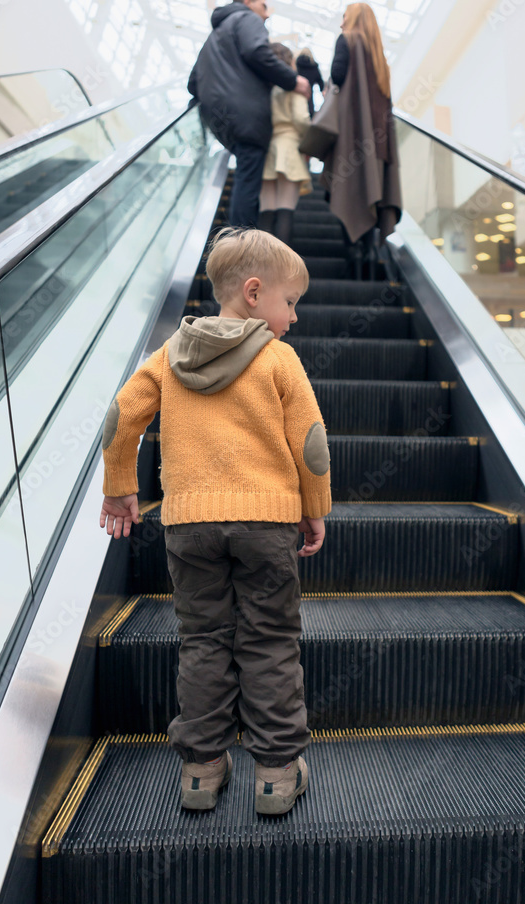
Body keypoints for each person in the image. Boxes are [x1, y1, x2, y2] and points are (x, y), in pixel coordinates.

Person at [99, 228, 332, 815]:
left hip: (189, 527)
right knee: (270, 641)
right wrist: (314, 509)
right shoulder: (278, 357)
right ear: (254, 293)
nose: (294, 318)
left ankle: (201, 770)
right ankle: (277, 773)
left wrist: (121, 488)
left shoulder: (170, 355)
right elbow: (311, 445)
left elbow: (120, 417)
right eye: (290, 302)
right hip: (265, 525)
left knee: (202, 640)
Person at [188, 0, 311, 229]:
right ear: (248, 2)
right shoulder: (247, 18)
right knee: (248, 184)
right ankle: (240, 246)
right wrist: (293, 80)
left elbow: (192, 83)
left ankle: (238, 240)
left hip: (219, 119)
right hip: (247, 116)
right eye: (264, 6)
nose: (266, 14)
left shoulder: (215, 35)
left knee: (246, 175)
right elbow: (256, 51)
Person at [323, 2, 402, 278]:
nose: (341, 23)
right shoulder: (381, 59)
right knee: (371, 197)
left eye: (344, 17)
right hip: (379, 147)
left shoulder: (347, 41)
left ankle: (353, 260)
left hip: (351, 139)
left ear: (354, 18)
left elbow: (337, 75)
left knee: (347, 192)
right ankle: (368, 261)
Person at [259, 43, 312, 246]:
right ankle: (280, 269)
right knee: (285, 208)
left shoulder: (263, 85)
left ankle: (263, 264)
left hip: (267, 149)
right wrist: (309, 140)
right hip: (289, 147)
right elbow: (301, 119)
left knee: (267, 208)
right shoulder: (294, 85)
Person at [295, 47, 324, 117]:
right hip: (309, 97)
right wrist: (322, 91)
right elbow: (321, 83)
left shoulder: (296, 64)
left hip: (297, 96)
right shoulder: (314, 67)